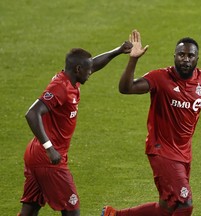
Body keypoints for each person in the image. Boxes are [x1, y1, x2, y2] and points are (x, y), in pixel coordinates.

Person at [101, 30, 201, 216]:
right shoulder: (160, 78)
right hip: (162, 150)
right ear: (174, 56)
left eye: (190, 55)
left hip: (183, 153)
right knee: (184, 204)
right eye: (181, 55)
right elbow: (126, 88)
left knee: (166, 208)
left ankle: (113, 215)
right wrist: (133, 59)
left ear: (197, 58)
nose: (186, 59)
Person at [17, 41, 133, 216]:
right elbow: (32, 114)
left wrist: (118, 51)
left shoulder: (72, 79)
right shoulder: (60, 88)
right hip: (48, 158)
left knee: (30, 209)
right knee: (72, 210)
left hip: (35, 154)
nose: (90, 73)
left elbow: (94, 64)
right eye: (88, 70)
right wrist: (50, 148)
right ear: (78, 69)